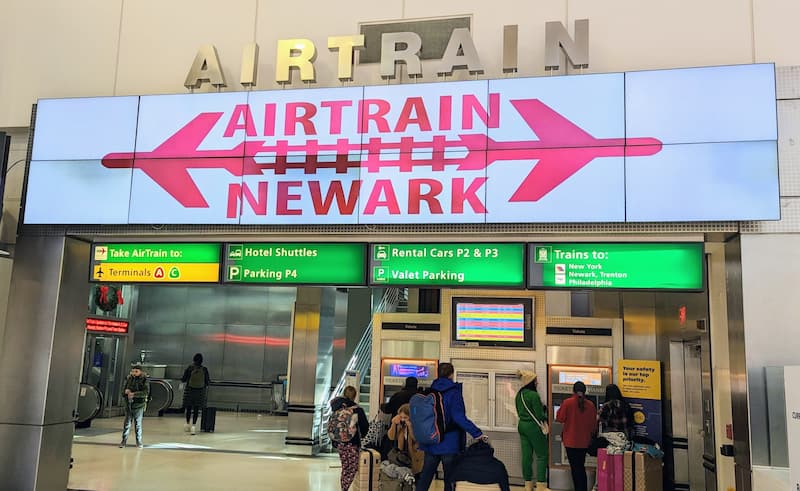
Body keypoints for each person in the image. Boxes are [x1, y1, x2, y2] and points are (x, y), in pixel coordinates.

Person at [416, 362, 488, 491]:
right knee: (450, 478)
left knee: (426, 477)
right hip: (449, 442)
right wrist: (477, 433)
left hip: (431, 440)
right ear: (451, 374)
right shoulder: (453, 392)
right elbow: (458, 417)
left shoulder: (430, 391)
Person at [555, 381, 597, 491]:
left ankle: (579, 489)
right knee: (580, 467)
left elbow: (559, 418)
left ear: (573, 391)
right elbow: (593, 425)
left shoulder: (567, 403)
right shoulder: (591, 405)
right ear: (585, 391)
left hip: (570, 441)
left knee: (575, 468)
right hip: (584, 442)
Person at [330, 385, 369, 491]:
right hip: (353, 443)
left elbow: (333, 424)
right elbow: (365, 426)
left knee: (345, 467)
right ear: (355, 396)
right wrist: (362, 437)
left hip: (340, 442)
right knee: (352, 468)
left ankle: (344, 487)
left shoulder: (337, 408)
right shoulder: (357, 410)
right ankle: (345, 488)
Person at [516, 370, 549, 491]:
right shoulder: (534, 395)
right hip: (533, 428)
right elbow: (539, 415)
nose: (537, 382)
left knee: (526, 456)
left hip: (522, 426)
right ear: (531, 382)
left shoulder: (519, 395)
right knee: (542, 455)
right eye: (535, 380)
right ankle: (541, 485)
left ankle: (528, 484)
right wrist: (545, 414)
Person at [388, 403, 424, 476]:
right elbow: (391, 437)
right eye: (401, 417)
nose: (403, 420)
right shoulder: (401, 425)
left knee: (416, 478)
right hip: (402, 457)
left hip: (415, 457)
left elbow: (416, 438)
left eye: (405, 417)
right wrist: (394, 424)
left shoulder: (418, 424)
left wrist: (410, 427)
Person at [119, 365, 149, 449]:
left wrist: (134, 394)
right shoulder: (129, 379)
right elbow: (123, 392)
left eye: (136, 371)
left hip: (139, 405)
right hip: (129, 405)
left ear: (140, 372)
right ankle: (123, 441)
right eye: (133, 371)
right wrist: (125, 392)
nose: (134, 373)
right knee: (127, 424)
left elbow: (145, 392)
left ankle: (139, 441)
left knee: (138, 424)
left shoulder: (144, 380)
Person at [181, 353, 210, 435]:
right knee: (196, 409)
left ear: (193, 359)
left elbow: (183, 379)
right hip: (200, 392)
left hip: (189, 390)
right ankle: (194, 426)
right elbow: (207, 382)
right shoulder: (204, 369)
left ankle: (187, 424)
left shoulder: (190, 368)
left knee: (189, 408)